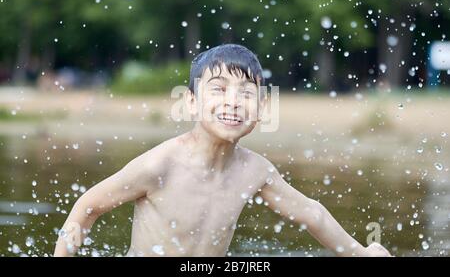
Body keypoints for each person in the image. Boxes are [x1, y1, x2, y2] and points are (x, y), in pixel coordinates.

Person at [54, 44, 391, 257]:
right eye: (218, 89)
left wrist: (360, 253)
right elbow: (87, 207)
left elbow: (311, 213)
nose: (233, 101)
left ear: (260, 109)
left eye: (246, 94)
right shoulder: (160, 166)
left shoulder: (254, 171)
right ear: (191, 102)